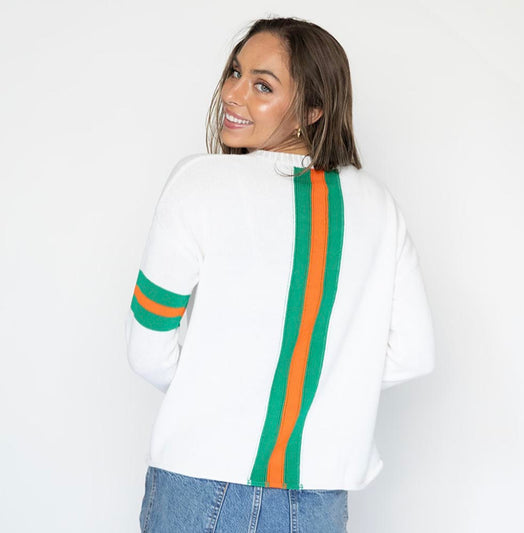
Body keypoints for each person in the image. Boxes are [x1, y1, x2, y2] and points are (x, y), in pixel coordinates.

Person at [125, 16, 436, 533]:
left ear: (313, 109)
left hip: (198, 486)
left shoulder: (200, 182)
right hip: (318, 501)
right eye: (235, 72)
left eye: (262, 85)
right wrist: (328, 389)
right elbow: (413, 353)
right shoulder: (379, 205)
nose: (233, 93)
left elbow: (147, 346)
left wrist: (222, 399)